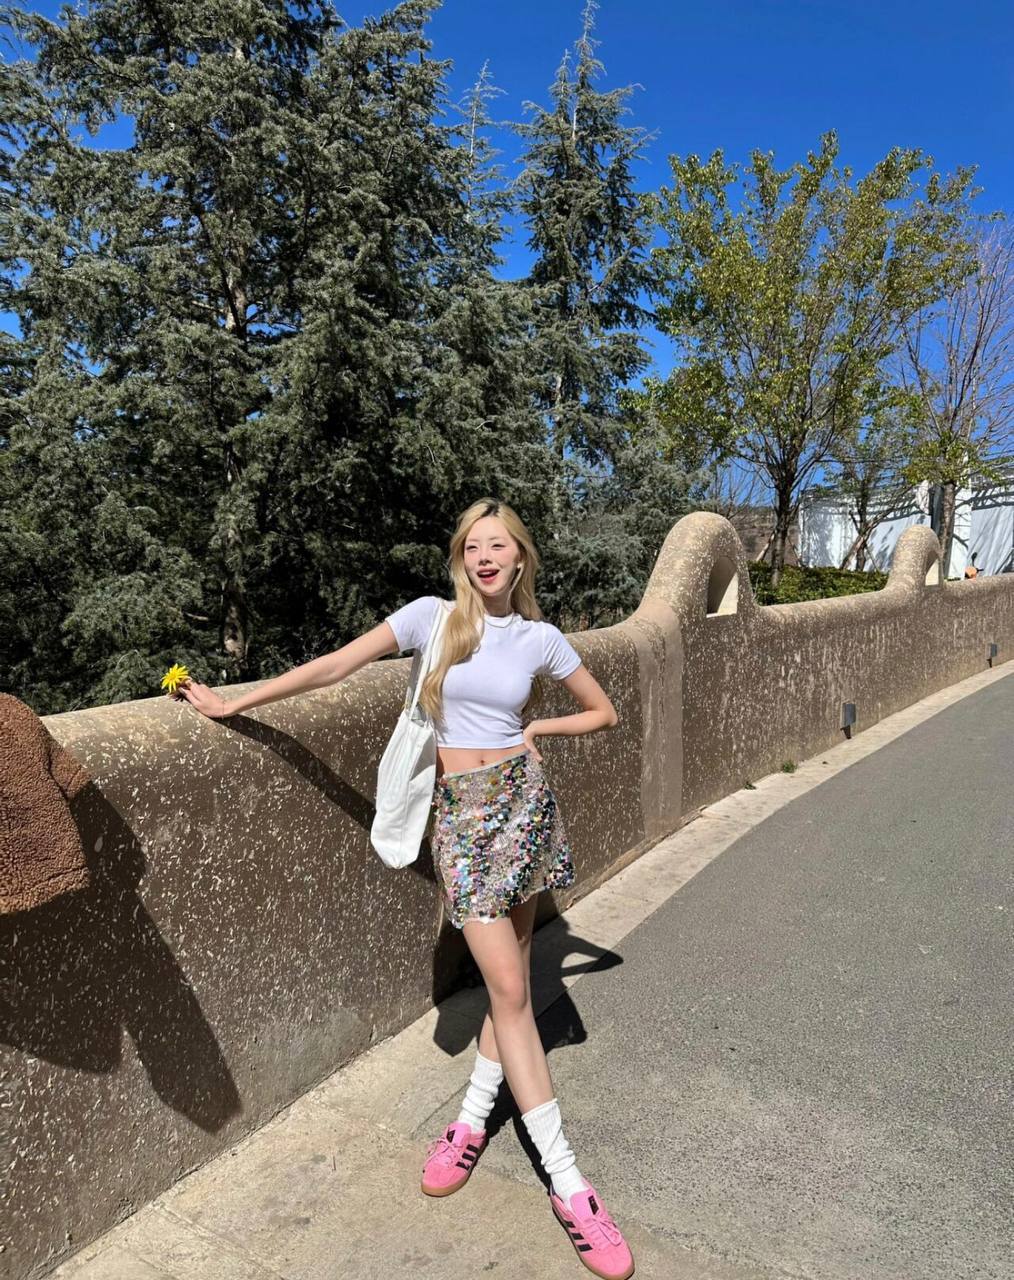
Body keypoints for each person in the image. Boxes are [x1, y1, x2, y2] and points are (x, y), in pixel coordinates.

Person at [176, 497, 634, 1280]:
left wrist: (539, 730)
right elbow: (337, 665)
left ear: (520, 559)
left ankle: (474, 1125)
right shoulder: (433, 619)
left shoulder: (540, 638)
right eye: (472, 546)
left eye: (499, 545)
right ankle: (570, 1184)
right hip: (462, 819)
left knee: (510, 991)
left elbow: (604, 712)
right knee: (510, 993)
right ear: (461, 559)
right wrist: (234, 700)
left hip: (522, 807)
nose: (485, 557)